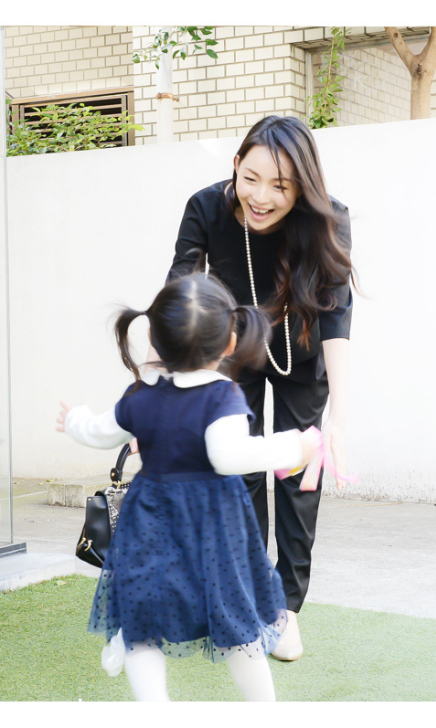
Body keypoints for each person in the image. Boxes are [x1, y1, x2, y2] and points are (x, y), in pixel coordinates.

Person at [57, 273, 321, 701]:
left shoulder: (140, 395)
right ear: (230, 343)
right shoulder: (223, 396)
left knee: (142, 624)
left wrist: (74, 420)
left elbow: (101, 431)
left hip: (150, 526)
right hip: (214, 532)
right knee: (237, 624)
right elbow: (228, 456)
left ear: (153, 337)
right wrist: (295, 446)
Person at [163, 115, 355, 661]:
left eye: (280, 186)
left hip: (302, 350)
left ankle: (286, 609)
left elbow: (338, 317)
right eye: (250, 179)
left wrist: (338, 418)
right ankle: (250, 596)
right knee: (238, 469)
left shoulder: (329, 218)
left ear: (303, 187)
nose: (261, 197)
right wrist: (167, 390)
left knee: (298, 476)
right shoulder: (206, 207)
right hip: (232, 350)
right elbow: (180, 296)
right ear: (235, 167)